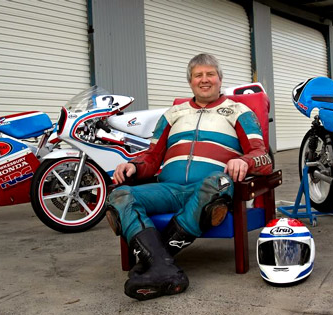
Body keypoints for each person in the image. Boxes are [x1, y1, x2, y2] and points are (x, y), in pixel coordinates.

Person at [106, 53, 272, 301]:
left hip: (210, 188)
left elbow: (263, 156)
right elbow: (152, 156)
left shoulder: (240, 111)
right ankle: (165, 269)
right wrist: (133, 165)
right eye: (198, 75)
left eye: (210, 74)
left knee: (217, 182)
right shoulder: (174, 113)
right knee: (120, 195)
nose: (205, 80)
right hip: (169, 189)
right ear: (190, 81)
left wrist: (244, 161)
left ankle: (152, 264)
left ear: (220, 79)